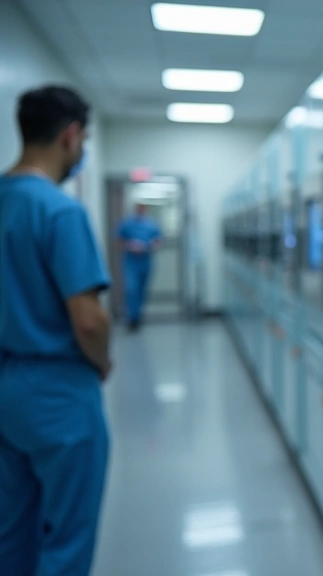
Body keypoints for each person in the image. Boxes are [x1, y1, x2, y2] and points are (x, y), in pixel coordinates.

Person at [0, 85, 112, 576]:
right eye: (83, 140)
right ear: (70, 136)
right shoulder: (59, 211)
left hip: (6, 386)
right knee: (67, 534)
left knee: (12, 527)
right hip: (57, 393)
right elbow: (87, 318)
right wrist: (103, 361)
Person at [117, 203, 162, 331]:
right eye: (139, 207)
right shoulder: (126, 223)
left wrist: (149, 246)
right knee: (131, 289)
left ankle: (138, 315)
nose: (141, 210)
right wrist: (129, 245)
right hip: (130, 262)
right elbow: (117, 242)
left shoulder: (152, 224)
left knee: (142, 290)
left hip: (146, 261)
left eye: (144, 208)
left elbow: (158, 241)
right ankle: (132, 318)